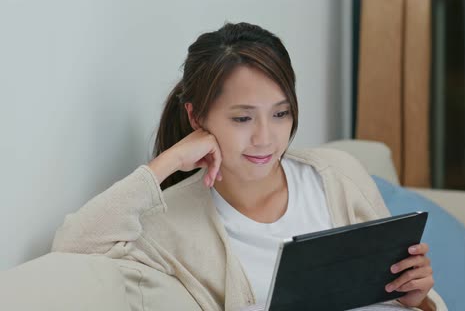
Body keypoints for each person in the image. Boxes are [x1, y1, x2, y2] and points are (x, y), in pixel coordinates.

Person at [51, 22, 442, 311]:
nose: (266, 138)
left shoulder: (338, 174)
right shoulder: (169, 221)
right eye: (242, 119)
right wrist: (166, 164)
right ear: (196, 117)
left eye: (280, 113)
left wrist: (420, 297)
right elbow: (72, 245)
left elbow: (413, 295)